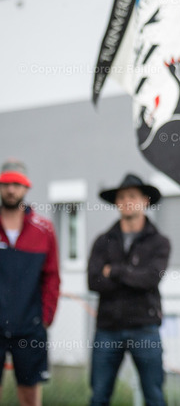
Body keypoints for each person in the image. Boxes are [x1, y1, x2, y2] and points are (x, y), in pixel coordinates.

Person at [88, 174, 169, 406]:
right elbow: (94, 282)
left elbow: (150, 279)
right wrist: (132, 275)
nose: (126, 201)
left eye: (132, 196)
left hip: (145, 326)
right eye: (122, 197)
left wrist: (113, 271)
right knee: (99, 395)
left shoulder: (159, 242)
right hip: (108, 327)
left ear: (145, 200)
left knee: (154, 395)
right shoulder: (103, 241)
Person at [0, 159, 60, 406]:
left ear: (26, 187)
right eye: (5, 184)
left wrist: (45, 316)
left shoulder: (43, 229)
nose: (10, 190)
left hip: (29, 326)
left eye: (16, 184)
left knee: (30, 396)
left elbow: (52, 276)